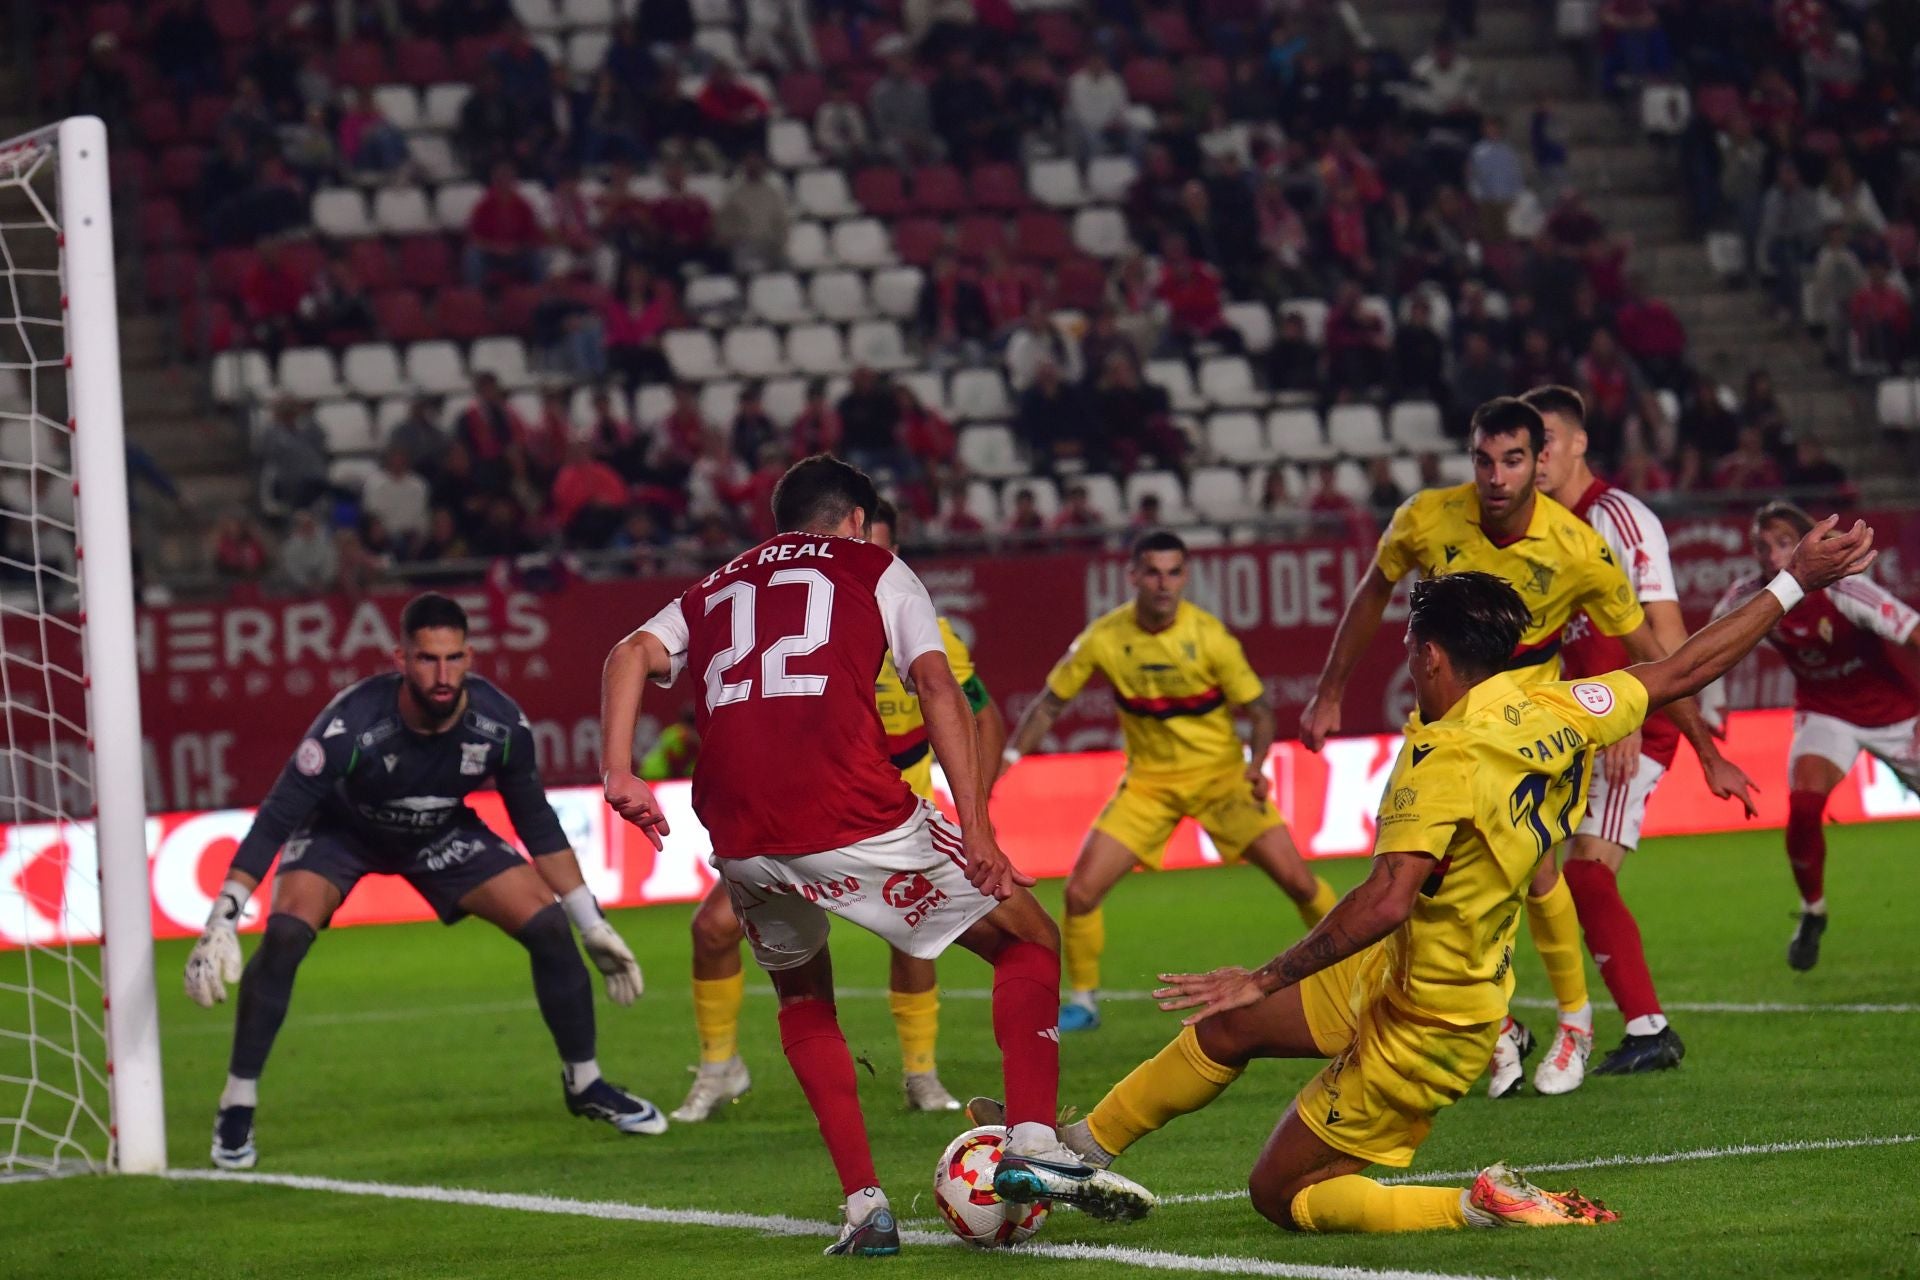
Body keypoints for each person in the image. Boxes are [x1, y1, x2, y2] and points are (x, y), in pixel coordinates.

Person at [969, 517, 1877, 1233]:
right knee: (1233, 1026)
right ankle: (1076, 1149)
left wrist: (1269, 969)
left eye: (1410, 649)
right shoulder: (1551, 702)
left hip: (1432, 1016)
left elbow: (1386, 895)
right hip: (1403, 969)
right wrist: (1794, 579)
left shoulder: (1442, 759)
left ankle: (1476, 1202)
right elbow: (1686, 664)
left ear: (1432, 656)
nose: (1407, 662)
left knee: (1278, 1196)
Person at [599, 457, 1155, 1253]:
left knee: (802, 999)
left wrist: (619, 770)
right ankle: (1033, 1144)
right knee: (1028, 939)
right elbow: (936, 686)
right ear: (857, 520)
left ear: (780, 523)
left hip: (740, 829)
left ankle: (866, 1210)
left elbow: (625, 653)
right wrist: (979, 832)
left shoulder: (717, 584)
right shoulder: (877, 564)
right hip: (848, 806)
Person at [1299, 397, 1754, 1097]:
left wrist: (1705, 748)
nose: (1497, 475)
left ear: (1539, 461)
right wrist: (1330, 689)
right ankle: (1499, 1025)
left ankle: (1574, 1022)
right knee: (1410, 883)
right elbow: (1370, 593)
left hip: (1528, 733)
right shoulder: (1425, 517)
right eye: (1483, 459)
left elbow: (1655, 657)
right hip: (1441, 726)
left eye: (1513, 459)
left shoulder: (1577, 547)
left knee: (1539, 875)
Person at [181, 594, 662, 1170]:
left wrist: (594, 925)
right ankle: (237, 1101)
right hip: (344, 831)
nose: (442, 674)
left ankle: (586, 1084)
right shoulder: (348, 725)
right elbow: (276, 819)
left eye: (453, 658)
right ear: (401, 659)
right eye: (427, 659)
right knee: (283, 936)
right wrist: (223, 916)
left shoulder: (501, 724)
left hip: (439, 832)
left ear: (469, 657)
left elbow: (537, 823)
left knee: (550, 927)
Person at [667, 500, 1007, 1122]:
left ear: (893, 556)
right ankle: (718, 1067)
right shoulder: (804, 623)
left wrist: (975, 806)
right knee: (713, 929)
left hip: (896, 802)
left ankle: (921, 1075)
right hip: (810, 805)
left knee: (919, 941)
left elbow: (979, 710)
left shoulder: (927, 630)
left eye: (874, 552)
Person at [1003, 531, 1337, 1032]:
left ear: (1185, 577)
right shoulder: (1104, 637)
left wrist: (1257, 763)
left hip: (1222, 781)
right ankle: (1085, 1003)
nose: (1164, 583)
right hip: (1148, 787)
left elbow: (1261, 710)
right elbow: (1051, 702)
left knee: (1299, 882)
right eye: (1153, 572)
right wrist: (1007, 756)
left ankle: (1353, 966)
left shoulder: (1210, 638)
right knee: (1080, 893)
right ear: (1133, 575)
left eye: (1173, 572)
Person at [1528, 385, 1692, 1074]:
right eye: (1524, 448)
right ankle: (1495, 1029)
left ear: (1577, 443)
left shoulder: (1620, 519)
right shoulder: (1526, 527)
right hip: (1566, 729)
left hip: (1632, 725)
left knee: (1588, 875)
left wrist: (1636, 711)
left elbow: (1668, 635)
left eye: (1545, 444)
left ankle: (1649, 1028)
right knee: (1516, 872)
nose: (1534, 460)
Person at [1709, 502, 1920, 972]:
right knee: (1803, 806)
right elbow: (1709, 645)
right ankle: (1813, 911)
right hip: (1826, 716)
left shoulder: (1847, 590)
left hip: (1900, 716)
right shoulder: (1751, 596)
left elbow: (1914, 632)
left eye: (1783, 543)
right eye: (1762, 547)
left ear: (1809, 543)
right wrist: (1711, 700)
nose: (1771, 556)